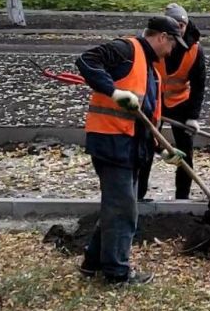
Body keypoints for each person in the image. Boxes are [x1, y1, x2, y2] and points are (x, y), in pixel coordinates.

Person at [75, 16, 186, 286]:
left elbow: (149, 118)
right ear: (162, 37)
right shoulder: (126, 50)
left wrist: (163, 150)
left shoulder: (152, 72)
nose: (171, 52)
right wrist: (113, 92)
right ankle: (116, 273)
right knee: (123, 209)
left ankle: (93, 263)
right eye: (172, 44)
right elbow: (86, 61)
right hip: (112, 143)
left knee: (117, 206)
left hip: (132, 147)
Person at [144, 2, 206, 200]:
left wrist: (193, 117)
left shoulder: (195, 49)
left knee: (185, 152)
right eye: (175, 25)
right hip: (155, 102)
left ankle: (182, 198)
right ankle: (138, 194)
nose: (179, 29)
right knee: (145, 147)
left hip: (181, 102)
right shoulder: (155, 44)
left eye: (182, 25)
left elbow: (199, 84)